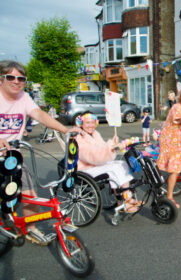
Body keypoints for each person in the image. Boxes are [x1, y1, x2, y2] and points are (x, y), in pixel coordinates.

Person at [0, 60, 82, 245]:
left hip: (12, 156)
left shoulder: (24, 97)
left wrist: (64, 129)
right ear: (1, 79)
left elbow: (39, 115)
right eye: (10, 77)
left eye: (21, 78)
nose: (16, 81)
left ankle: (31, 229)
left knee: (28, 190)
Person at [74, 112, 142, 213]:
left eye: (93, 122)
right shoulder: (79, 139)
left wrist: (113, 143)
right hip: (86, 168)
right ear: (81, 124)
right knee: (114, 169)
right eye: (87, 123)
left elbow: (102, 148)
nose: (91, 125)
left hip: (96, 164)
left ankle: (120, 200)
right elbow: (92, 156)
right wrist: (111, 147)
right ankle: (127, 199)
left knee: (121, 164)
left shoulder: (95, 134)